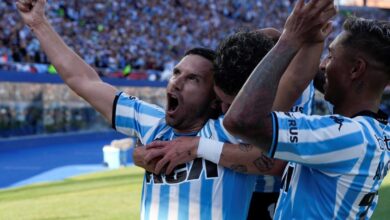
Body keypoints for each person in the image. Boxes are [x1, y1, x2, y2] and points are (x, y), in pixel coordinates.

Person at [16, 1, 257, 219]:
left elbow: (275, 161)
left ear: (216, 97)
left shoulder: (232, 130)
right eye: (176, 73)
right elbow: (84, 81)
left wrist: (198, 147)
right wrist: (38, 24)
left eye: (193, 79)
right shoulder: (151, 122)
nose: (177, 82)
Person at [142, 16, 331, 220]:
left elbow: (276, 163)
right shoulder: (236, 71)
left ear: (254, 90)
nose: (225, 111)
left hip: (281, 194)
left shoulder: (294, 84)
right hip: (244, 192)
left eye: (231, 104)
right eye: (220, 101)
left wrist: (198, 146)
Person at [224, 1, 389, 219]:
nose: (322, 65)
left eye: (330, 56)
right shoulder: (375, 131)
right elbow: (307, 77)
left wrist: (290, 38)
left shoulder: (346, 136)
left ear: (356, 69)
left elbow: (240, 119)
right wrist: (311, 41)